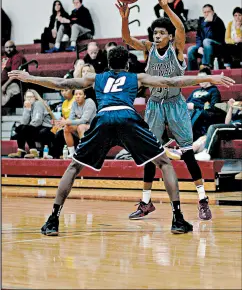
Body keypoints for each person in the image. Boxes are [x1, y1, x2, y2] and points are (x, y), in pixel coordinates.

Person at [9, 47, 234, 236]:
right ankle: (177, 219)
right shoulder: (136, 77)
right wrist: (207, 77)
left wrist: (32, 79)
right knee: (164, 163)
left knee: (74, 167)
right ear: (126, 65)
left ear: (107, 64)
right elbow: (171, 80)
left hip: (104, 117)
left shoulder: (95, 77)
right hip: (127, 117)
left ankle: (53, 219)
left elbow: (62, 84)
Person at [116, 0, 215, 221]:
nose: (157, 36)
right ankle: (146, 203)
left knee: (188, 153)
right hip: (154, 106)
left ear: (169, 36)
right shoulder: (149, 48)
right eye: (155, 33)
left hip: (175, 104)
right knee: (151, 155)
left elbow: (180, 27)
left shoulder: (177, 48)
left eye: (161, 33)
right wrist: (125, 19)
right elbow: (127, 39)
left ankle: (202, 199)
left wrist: (166, 7)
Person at [8, 89, 53, 159]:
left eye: (31, 97)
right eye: (27, 97)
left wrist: (26, 128)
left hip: (45, 127)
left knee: (26, 129)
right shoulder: (28, 105)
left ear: (35, 97)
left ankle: (34, 152)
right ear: (25, 97)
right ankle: (21, 151)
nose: (29, 98)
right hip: (35, 127)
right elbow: (24, 122)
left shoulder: (38, 103)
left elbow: (38, 120)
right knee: (20, 127)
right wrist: (27, 109)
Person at [186, 67, 221, 141]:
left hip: (201, 114)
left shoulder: (214, 91)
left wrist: (195, 106)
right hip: (188, 112)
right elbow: (186, 103)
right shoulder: (195, 91)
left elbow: (213, 109)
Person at [187, 4, 226, 70]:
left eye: (208, 12)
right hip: (205, 46)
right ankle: (192, 71)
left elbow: (218, 37)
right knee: (190, 49)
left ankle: (206, 66)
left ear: (213, 12)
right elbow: (198, 36)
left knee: (206, 41)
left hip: (217, 46)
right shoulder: (201, 21)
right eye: (205, 12)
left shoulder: (218, 21)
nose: (206, 14)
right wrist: (199, 46)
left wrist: (211, 22)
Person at [62, 89, 96, 158]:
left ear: (85, 96)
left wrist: (69, 121)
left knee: (81, 127)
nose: (77, 96)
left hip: (93, 126)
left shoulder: (89, 102)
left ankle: (84, 152)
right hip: (82, 125)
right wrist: (63, 122)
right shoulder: (74, 103)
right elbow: (71, 118)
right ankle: (72, 153)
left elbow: (84, 120)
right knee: (66, 127)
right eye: (76, 94)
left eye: (80, 94)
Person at [2, 40, 27, 108]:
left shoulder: (17, 57)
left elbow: (14, 75)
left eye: (10, 47)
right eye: (6, 47)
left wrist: (4, 86)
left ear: (15, 47)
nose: (8, 49)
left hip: (14, 83)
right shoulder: (10, 57)